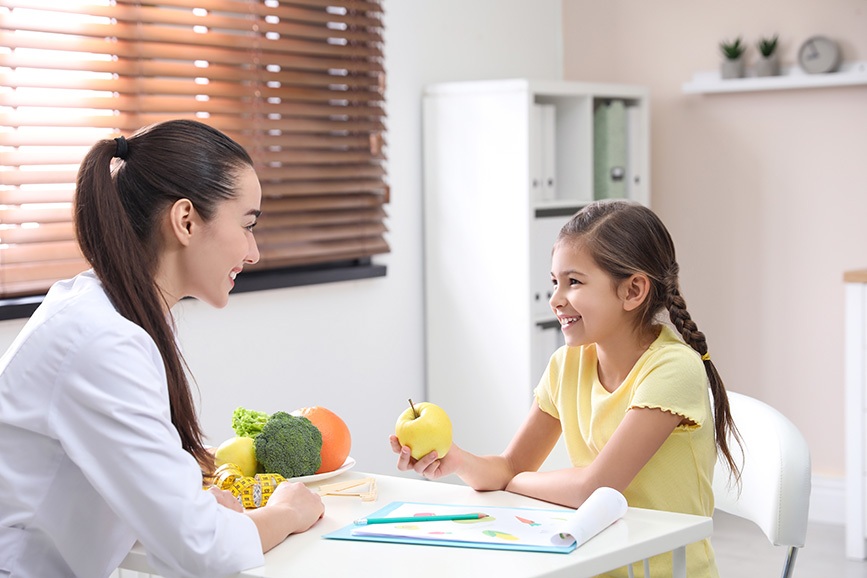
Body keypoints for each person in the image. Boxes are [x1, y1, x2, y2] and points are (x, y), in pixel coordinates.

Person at [0, 120, 324, 578]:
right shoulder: (103, 340)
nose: (253, 252)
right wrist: (286, 512)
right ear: (186, 220)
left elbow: (140, 478)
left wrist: (195, 505)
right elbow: (202, 550)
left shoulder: (120, 314)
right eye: (247, 225)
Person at [391, 199, 741, 578]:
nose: (556, 299)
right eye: (555, 282)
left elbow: (596, 486)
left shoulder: (673, 369)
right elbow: (510, 465)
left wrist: (514, 480)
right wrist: (457, 460)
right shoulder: (566, 365)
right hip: (593, 563)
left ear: (633, 291)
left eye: (573, 282)